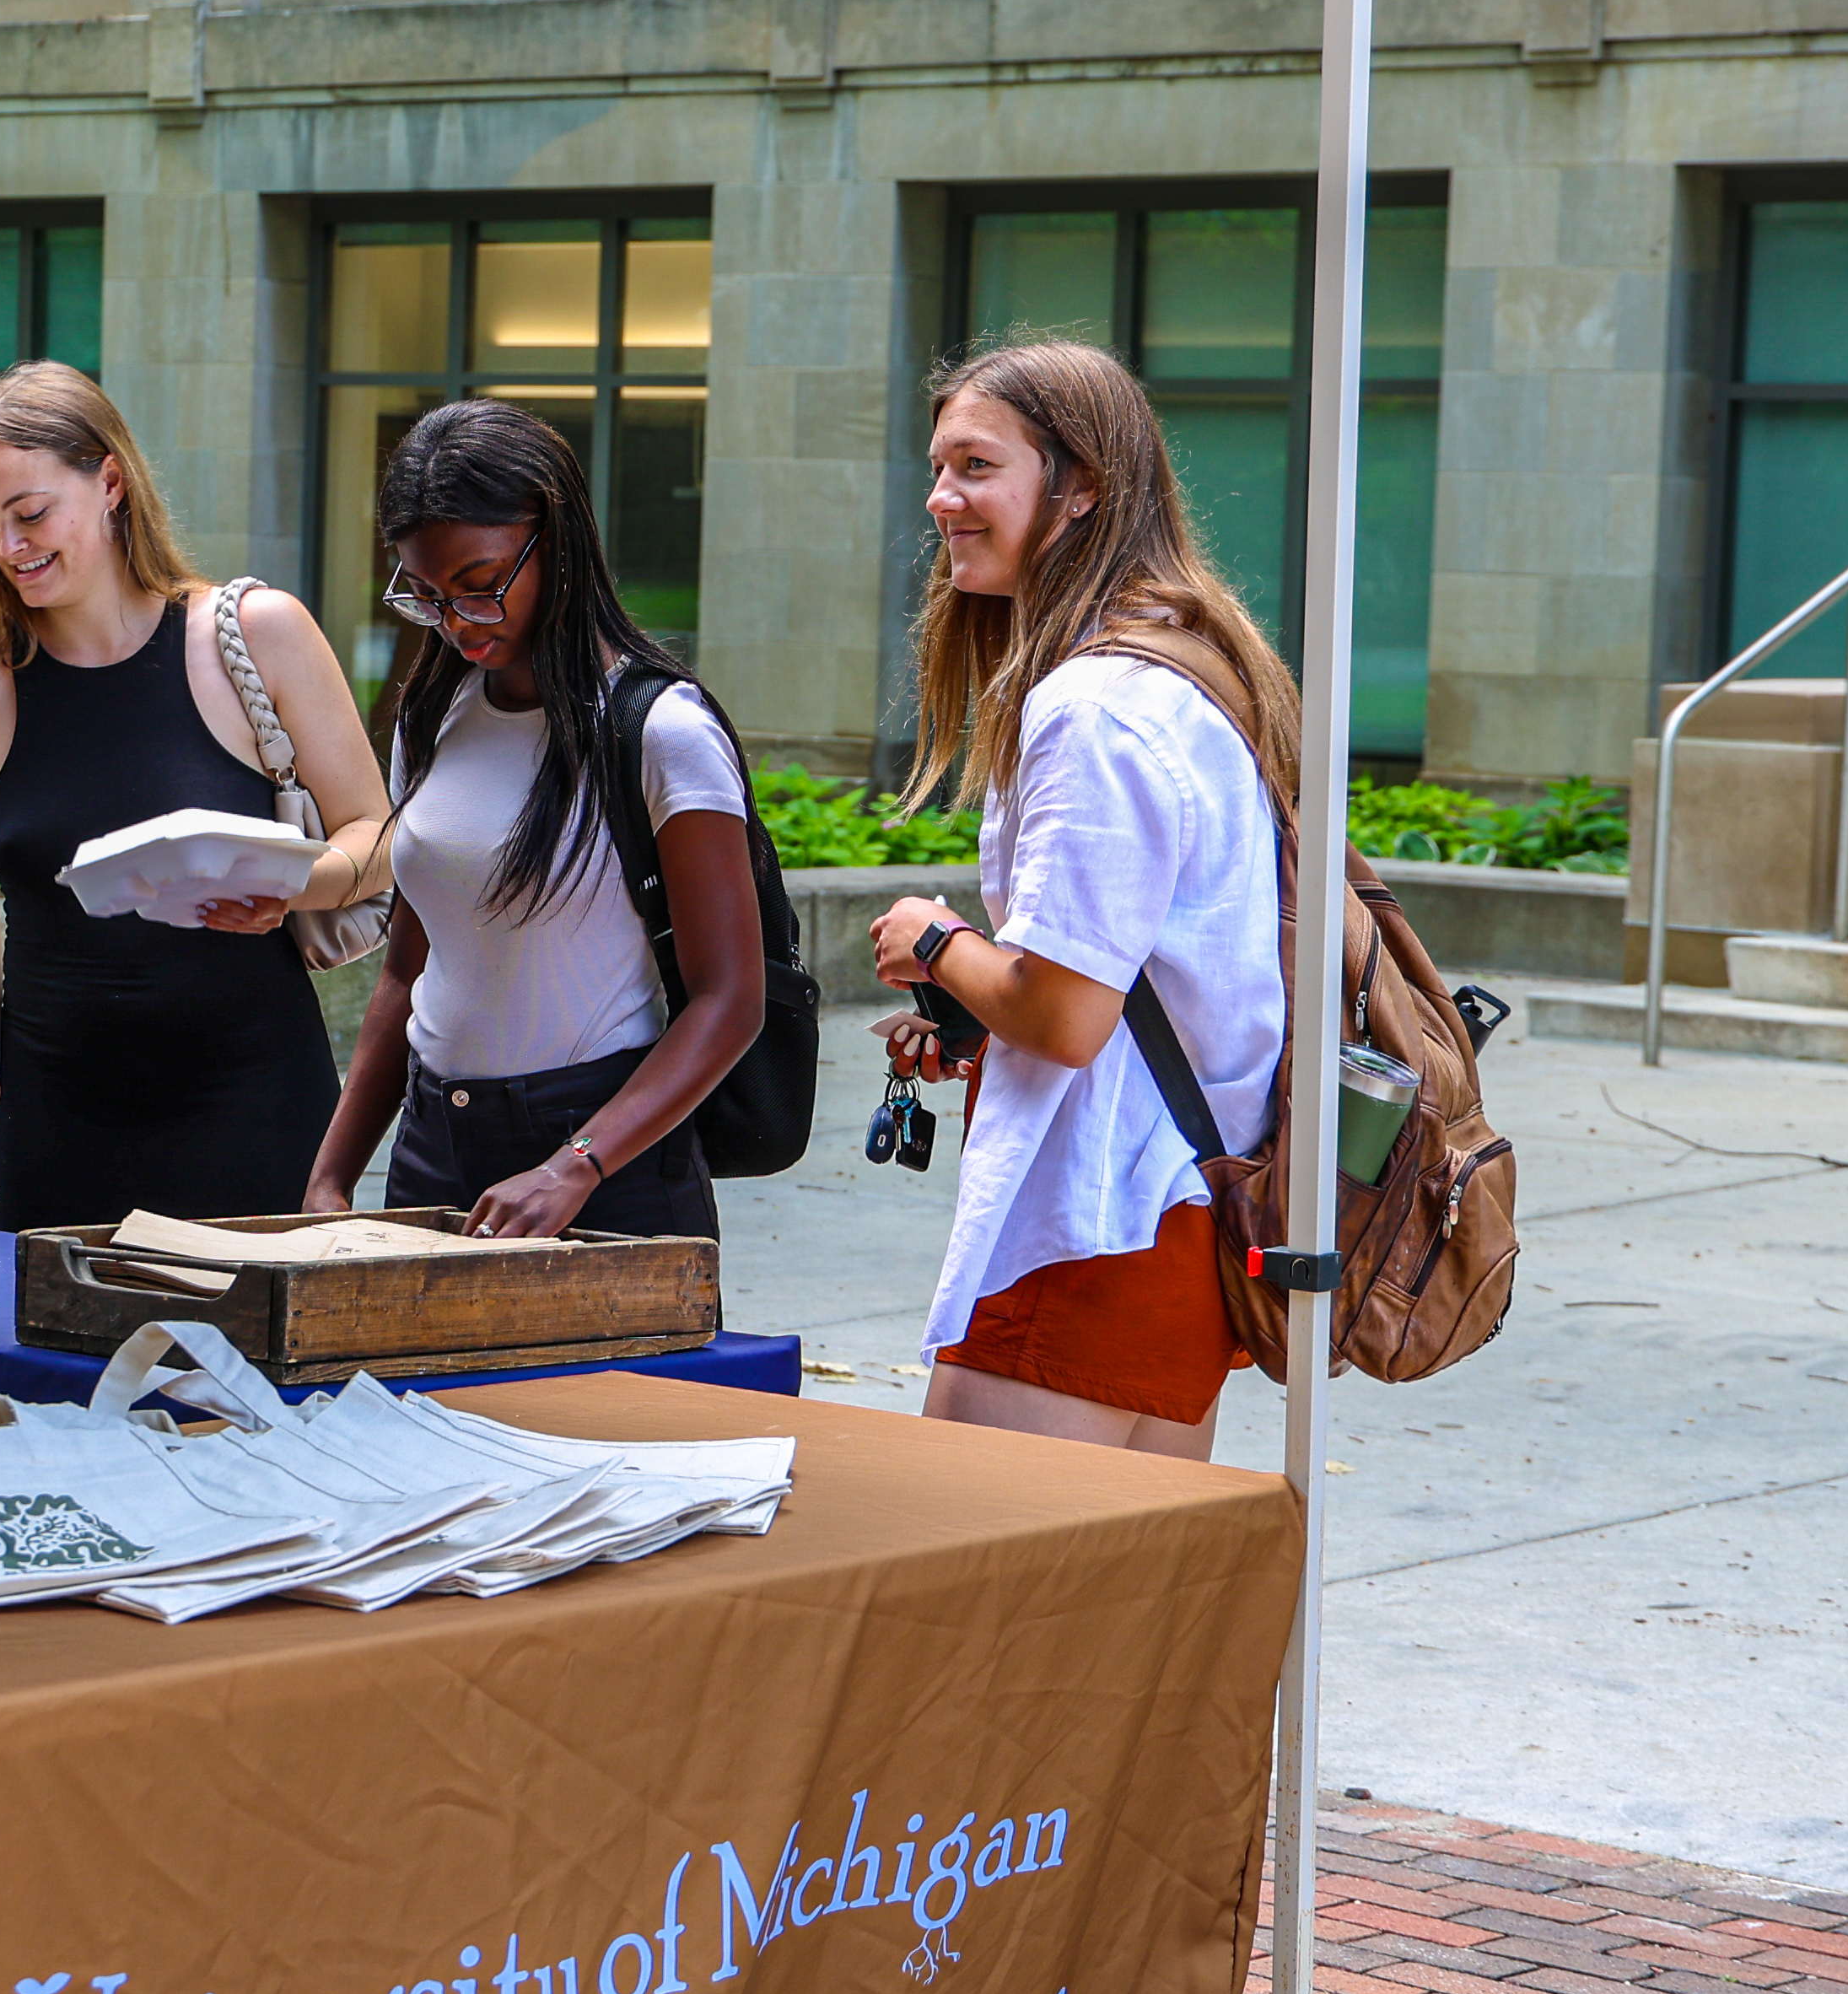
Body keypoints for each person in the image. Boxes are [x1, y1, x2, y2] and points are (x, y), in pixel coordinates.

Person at [870, 335, 1295, 1460]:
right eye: (939, 465)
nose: (940, 498)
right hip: (1174, 1222)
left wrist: (934, 937)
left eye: (974, 466)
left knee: (984, 1617)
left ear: (1083, 485)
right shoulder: (1193, 667)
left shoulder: (1098, 705)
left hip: (1091, 1228)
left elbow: (1064, 1017)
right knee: (1114, 1623)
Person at [0, 363, 387, 1232]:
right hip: (51, 1117)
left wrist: (291, 888)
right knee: (47, 1370)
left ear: (111, 481)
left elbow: (376, 832)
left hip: (255, 1104)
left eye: (31, 514)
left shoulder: (256, 632)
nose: (9, 547)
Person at [303, 401, 768, 1241]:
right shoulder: (434, 715)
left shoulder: (662, 731)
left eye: (481, 586)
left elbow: (731, 1000)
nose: (458, 623)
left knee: (607, 1384)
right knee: (412, 1382)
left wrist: (575, 1164)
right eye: (429, 596)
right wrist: (332, 1177)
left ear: (555, 538)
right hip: (431, 1145)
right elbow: (407, 975)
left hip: (603, 1156)